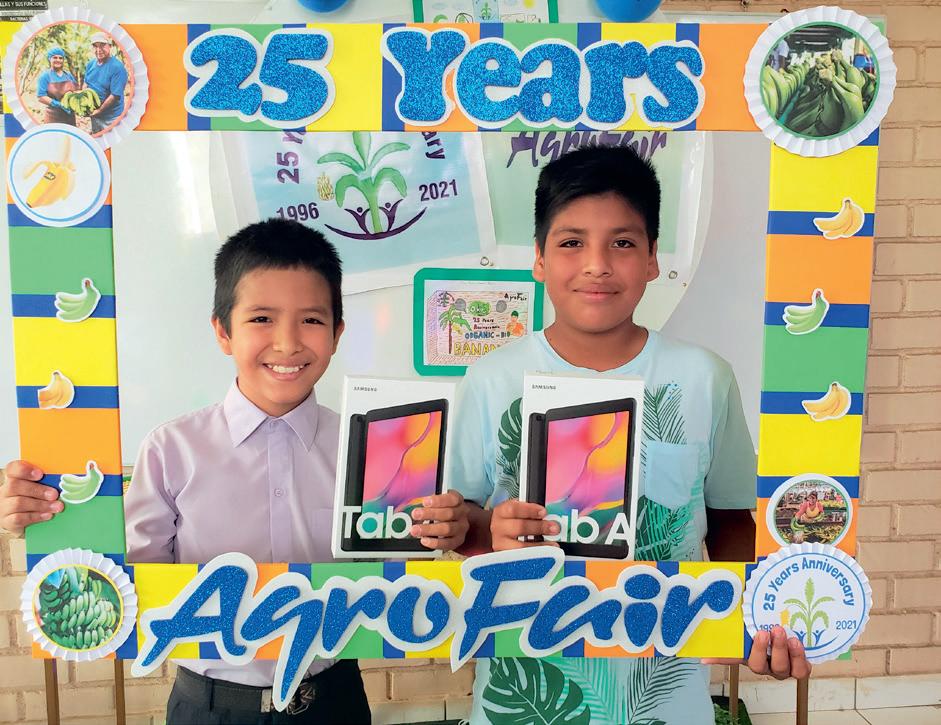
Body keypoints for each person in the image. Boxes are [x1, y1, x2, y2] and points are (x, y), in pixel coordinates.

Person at [1, 218, 470, 723]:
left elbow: (396, 572)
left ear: (337, 333)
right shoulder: (171, 450)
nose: (287, 343)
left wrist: (442, 531)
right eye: (261, 318)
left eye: (311, 320)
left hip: (334, 700)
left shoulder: (373, 448)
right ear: (223, 332)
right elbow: (127, 580)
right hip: (210, 706)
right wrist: (54, 521)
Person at [451, 145, 811, 724]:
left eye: (622, 243)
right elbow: (462, 523)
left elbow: (729, 519)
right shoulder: (492, 379)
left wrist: (759, 615)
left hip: (667, 695)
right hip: (525, 693)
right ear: (539, 258)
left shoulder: (704, 378)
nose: (596, 264)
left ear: (651, 260)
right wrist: (489, 531)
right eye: (571, 243)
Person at [83, 32, 128, 134]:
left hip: (111, 118)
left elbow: (115, 95)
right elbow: (86, 83)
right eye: (95, 46)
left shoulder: (117, 67)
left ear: (110, 46)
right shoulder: (90, 64)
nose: (98, 50)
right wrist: (84, 103)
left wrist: (99, 111)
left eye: (102, 45)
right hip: (95, 115)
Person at [35, 46, 77, 125]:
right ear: (49, 59)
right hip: (53, 116)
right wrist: (58, 104)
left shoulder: (68, 75)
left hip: (69, 116)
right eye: (55, 57)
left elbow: (74, 92)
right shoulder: (45, 76)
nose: (58, 60)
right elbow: (41, 97)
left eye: (60, 58)